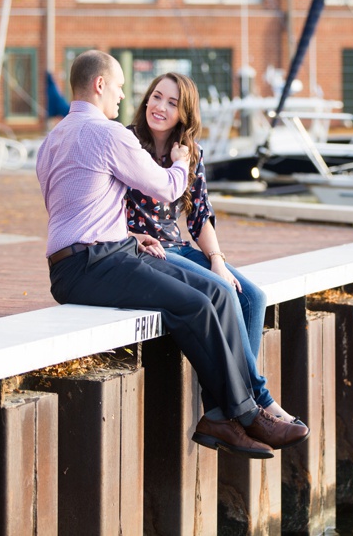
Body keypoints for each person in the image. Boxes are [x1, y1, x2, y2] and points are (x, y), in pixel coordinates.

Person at [35, 50, 308, 459]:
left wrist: (126, 235)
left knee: (217, 293)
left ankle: (222, 414)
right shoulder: (111, 133)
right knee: (196, 305)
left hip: (98, 255)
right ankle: (243, 414)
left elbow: (70, 206)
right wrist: (181, 165)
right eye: (121, 86)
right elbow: (164, 188)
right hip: (90, 264)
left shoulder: (51, 139)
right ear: (100, 85)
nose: (124, 95)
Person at [124, 72, 298, 424]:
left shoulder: (190, 153)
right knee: (225, 295)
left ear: (184, 113)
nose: (159, 107)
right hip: (147, 251)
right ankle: (256, 402)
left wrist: (217, 261)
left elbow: (199, 215)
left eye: (172, 103)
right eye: (156, 97)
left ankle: (233, 405)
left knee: (252, 297)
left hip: (179, 246)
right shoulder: (127, 143)